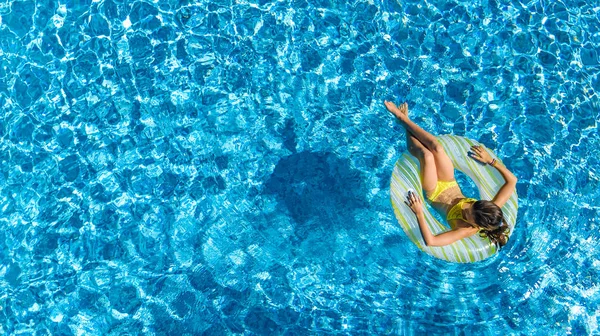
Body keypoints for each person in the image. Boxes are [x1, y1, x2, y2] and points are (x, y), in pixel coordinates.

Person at [384, 101, 518, 248]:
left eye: (468, 214)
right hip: (449, 182)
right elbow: (512, 180)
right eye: (471, 205)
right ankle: (404, 120)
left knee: (427, 155)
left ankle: (403, 121)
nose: (465, 208)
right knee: (437, 148)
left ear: (475, 224)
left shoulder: (465, 229)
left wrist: (419, 213)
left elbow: (431, 242)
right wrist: (490, 161)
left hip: (434, 192)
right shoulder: (490, 208)